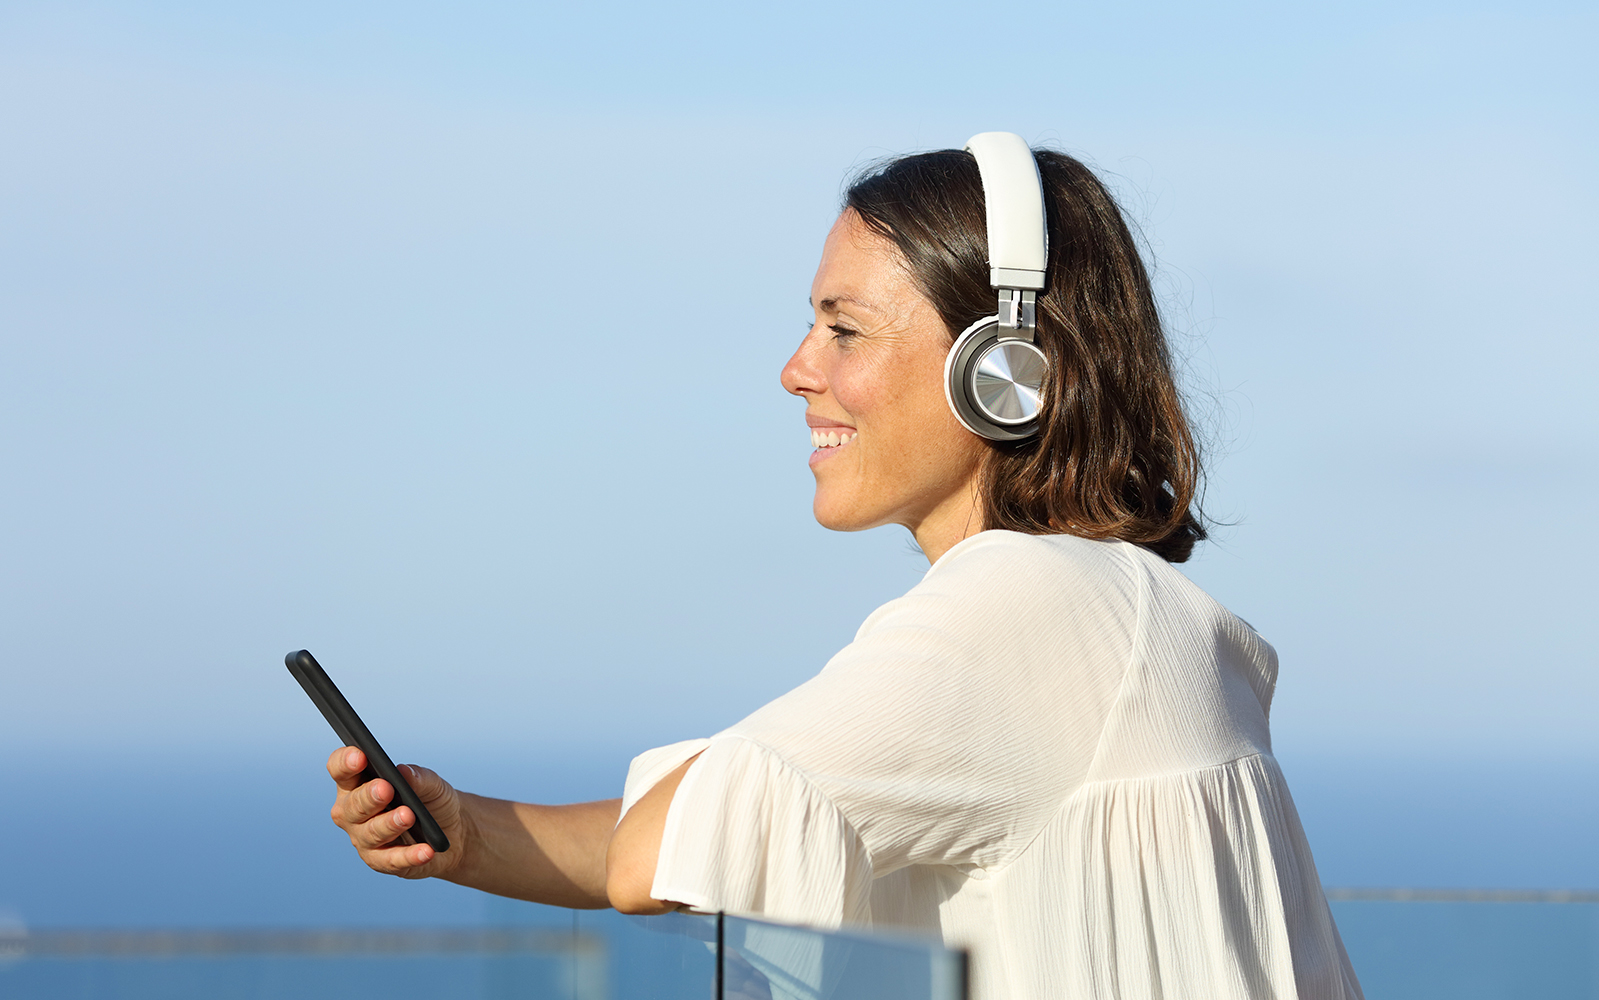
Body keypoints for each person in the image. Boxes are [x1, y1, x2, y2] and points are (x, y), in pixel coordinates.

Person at [325, 134, 1364, 999]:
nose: (796, 369)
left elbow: (663, 852)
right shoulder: (1141, 611)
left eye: (844, 329)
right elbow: (709, 830)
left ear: (1002, 372)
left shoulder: (1019, 608)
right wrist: (466, 831)